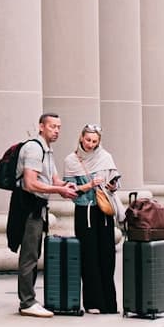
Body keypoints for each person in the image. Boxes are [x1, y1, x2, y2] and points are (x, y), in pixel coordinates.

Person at [10, 113, 77, 318]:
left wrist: (66, 186)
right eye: (52, 127)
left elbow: (54, 179)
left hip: (39, 206)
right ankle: (27, 302)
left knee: (34, 253)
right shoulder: (33, 149)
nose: (56, 131)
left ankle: (29, 300)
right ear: (41, 127)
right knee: (29, 255)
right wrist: (59, 191)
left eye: (58, 127)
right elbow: (30, 184)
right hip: (28, 206)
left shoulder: (47, 151)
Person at [63, 124, 120, 315]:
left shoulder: (106, 157)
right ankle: (92, 302)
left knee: (107, 255)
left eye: (94, 141)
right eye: (88, 140)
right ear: (81, 138)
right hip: (84, 211)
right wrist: (88, 185)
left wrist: (111, 185)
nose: (90, 144)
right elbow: (69, 191)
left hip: (103, 211)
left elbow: (116, 181)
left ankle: (109, 303)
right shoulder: (71, 160)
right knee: (89, 256)